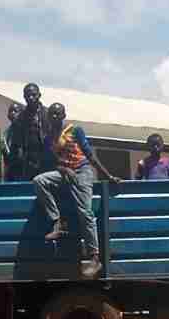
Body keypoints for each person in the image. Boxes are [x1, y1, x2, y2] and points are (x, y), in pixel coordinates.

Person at [33, 102, 120, 279]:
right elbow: (53, 162)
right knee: (39, 181)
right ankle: (57, 221)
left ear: (64, 115)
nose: (55, 117)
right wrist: (64, 170)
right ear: (49, 117)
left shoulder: (75, 130)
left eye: (58, 114)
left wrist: (107, 175)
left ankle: (94, 258)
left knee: (85, 212)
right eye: (52, 114)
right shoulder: (49, 137)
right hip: (65, 173)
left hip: (83, 171)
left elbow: (89, 154)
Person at [15, 83, 48, 179]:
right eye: (28, 95)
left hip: (46, 159)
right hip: (28, 161)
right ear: (24, 97)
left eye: (34, 95)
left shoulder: (47, 114)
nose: (31, 98)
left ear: (39, 95)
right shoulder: (20, 117)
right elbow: (17, 142)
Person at [3, 101, 25, 181]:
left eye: (15, 111)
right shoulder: (7, 133)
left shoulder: (26, 129)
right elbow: (7, 156)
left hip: (24, 170)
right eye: (10, 111)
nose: (12, 113)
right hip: (12, 170)